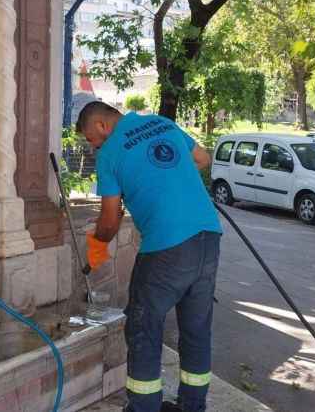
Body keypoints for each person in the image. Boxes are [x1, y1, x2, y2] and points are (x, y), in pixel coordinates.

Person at [76, 101, 222, 412]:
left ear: (101, 125)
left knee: (143, 327)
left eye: (90, 138)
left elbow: (109, 222)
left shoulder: (111, 152)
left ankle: (143, 407)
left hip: (167, 247)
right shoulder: (162, 124)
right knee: (196, 329)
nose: (92, 145)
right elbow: (202, 158)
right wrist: (165, 181)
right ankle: (192, 406)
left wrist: (97, 243)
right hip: (209, 238)